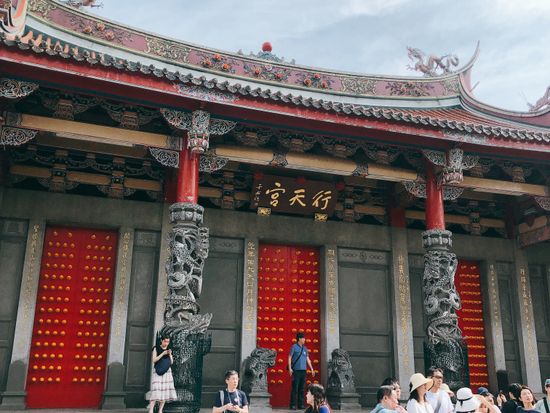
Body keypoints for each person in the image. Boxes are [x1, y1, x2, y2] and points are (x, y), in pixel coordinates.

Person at [146, 335, 177, 413]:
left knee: (164, 390)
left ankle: (160, 410)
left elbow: (171, 362)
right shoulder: (156, 348)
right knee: (156, 389)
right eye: (165, 341)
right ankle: (151, 410)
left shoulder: (169, 349)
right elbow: (154, 360)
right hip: (158, 371)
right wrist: (163, 353)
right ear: (161, 341)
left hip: (167, 372)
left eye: (168, 342)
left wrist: (170, 354)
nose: (166, 343)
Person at [288, 332, 315, 410]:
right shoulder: (294, 347)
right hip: (296, 371)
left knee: (302, 388)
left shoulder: (305, 348)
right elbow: (289, 357)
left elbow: (308, 359)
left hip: (303, 371)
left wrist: (312, 369)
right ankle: (293, 405)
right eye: (303, 338)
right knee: (295, 388)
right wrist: (290, 368)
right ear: (299, 339)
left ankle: (300, 404)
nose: (304, 339)